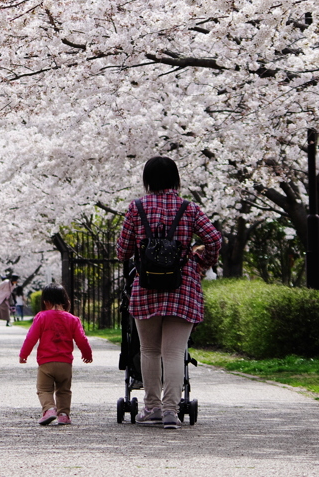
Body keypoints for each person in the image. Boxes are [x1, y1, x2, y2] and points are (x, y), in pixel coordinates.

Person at [116, 156, 222, 429]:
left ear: (147, 179)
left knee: (150, 350)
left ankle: (151, 407)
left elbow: (122, 252)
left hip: (146, 286)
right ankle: (171, 413)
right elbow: (213, 238)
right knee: (174, 352)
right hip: (183, 286)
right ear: (176, 178)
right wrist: (202, 263)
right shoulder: (190, 208)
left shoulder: (136, 208)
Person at [19, 285, 93, 426]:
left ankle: (49, 409)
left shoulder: (41, 317)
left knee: (44, 389)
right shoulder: (72, 319)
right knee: (64, 390)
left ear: (46, 301)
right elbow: (82, 340)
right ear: (65, 300)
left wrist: (24, 354)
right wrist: (87, 354)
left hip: (46, 363)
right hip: (65, 363)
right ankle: (64, 414)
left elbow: (31, 338)